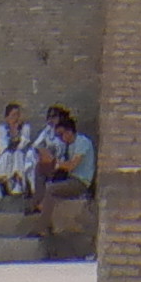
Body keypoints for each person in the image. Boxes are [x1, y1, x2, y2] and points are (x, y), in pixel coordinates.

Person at [40, 107, 99, 251]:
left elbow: (72, 165)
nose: (61, 138)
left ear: (69, 132)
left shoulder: (82, 142)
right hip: (71, 179)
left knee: (51, 190)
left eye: (61, 134)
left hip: (80, 182)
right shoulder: (70, 145)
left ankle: (43, 226)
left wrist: (55, 162)